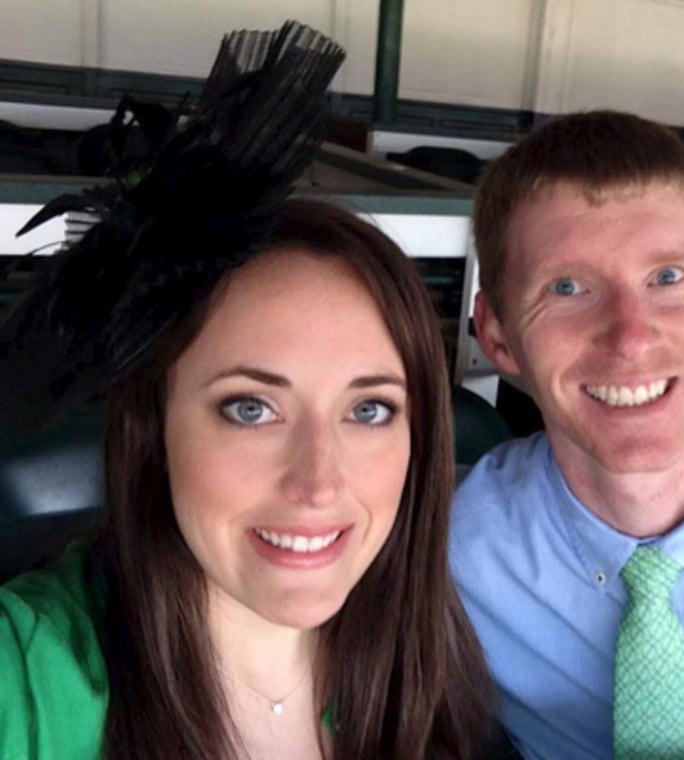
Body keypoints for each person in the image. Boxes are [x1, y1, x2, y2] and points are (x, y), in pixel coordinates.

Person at [0, 23, 490, 760]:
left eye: (369, 409)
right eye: (250, 408)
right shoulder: (30, 676)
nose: (318, 482)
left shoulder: (422, 652)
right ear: (156, 426)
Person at [449, 109, 684, 759]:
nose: (631, 337)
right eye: (568, 287)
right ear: (497, 336)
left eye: (667, 278)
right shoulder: (446, 544)